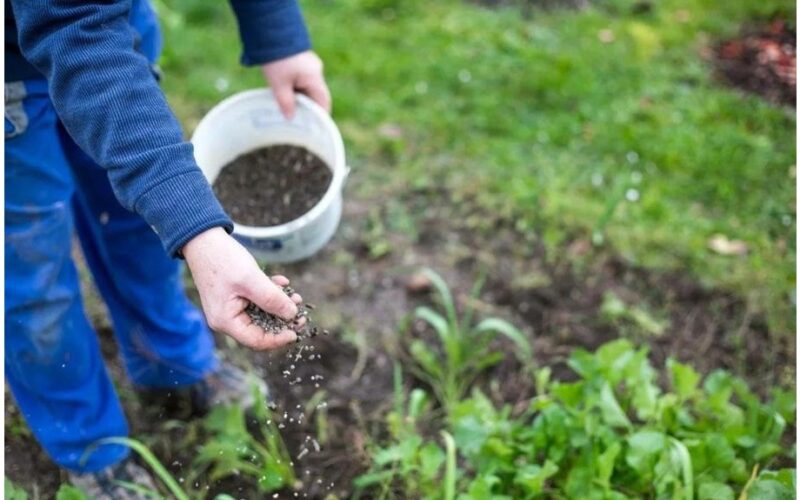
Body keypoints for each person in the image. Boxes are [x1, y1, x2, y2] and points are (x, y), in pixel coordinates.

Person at [5, 0, 331, 496]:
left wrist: (277, 32)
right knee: (34, 276)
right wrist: (199, 231)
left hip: (113, 23)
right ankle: (90, 448)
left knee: (139, 223)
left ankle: (171, 365)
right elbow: (75, 30)